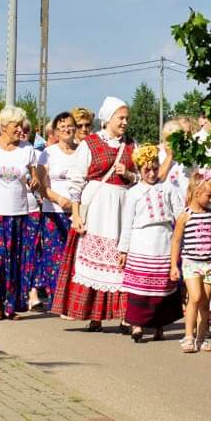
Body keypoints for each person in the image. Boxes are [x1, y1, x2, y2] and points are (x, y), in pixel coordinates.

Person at [54, 96, 135, 330]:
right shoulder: (90, 143)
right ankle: (95, 315)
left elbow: (142, 176)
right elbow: (76, 180)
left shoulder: (132, 145)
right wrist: (76, 214)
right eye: (121, 118)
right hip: (97, 208)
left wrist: (129, 174)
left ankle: (125, 315)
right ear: (108, 118)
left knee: (122, 259)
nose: (125, 122)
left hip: (122, 207)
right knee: (92, 264)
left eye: (127, 118)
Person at [0, 105, 42, 321]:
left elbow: (34, 177)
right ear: (4, 126)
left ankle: (10, 306)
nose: (20, 129)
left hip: (18, 212)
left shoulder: (27, 149)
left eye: (22, 125)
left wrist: (35, 181)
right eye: (16, 125)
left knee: (14, 259)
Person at [117, 144, 183, 342]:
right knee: (140, 289)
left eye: (155, 168)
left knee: (162, 288)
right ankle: (137, 325)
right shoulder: (133, 192)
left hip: (164, 241)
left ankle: (159, 325)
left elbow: (180, 215)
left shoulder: (168, 188)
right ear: (139, 170)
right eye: (147, 170)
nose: (152, 173)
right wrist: (123, 250)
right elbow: (127, 223)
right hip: (141, 242)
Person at [35, 111, 88, 311]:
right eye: (62, 126)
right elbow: (41, 185)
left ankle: (73, 300)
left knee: (76, 256)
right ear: (56, 132)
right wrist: (59, 199)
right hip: (54, 212)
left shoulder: (83, 151)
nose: (67, 129)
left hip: (78, 212)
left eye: (70, 125)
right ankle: (58, 300)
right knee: (55, 256)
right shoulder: (48, 153)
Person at [171, 177, 211, 352]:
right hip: (191, 263)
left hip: (210, 263)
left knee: (205, 302)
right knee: (195, 297)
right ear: (197, 193)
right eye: (209, 196)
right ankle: (189, 336)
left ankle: (201, 338)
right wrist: (174, 265)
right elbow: (176, 240)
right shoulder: (185, 215)